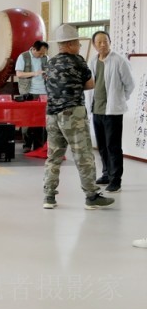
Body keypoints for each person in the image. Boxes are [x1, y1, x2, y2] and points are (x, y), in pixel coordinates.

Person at [42, 24, 114, 211]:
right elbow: (90, 84)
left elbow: (50, 85)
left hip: (51, 114)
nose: (79, 47)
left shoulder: (49, 63)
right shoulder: (78, 61)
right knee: (84, 155)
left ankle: (49, 196)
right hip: (73, 113)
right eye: (78, 44)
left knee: (54, 156)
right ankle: (91, 196)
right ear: (71, 44)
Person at [86, 30, 134, 193]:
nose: (102, 44)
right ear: (94, 45)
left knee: (113, 146)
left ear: (110, 42)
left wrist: (119, 100)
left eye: (105, 41)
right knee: (102, 146)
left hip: (113, 111)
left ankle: (115, 179)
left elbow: (130, 84)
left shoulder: (119, 60)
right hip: (97, 110)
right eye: (99, 42)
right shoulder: (93, 61)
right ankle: (106, 174)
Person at [15, 40, 50, 152]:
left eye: (44, 53)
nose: (42, 55)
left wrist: (47, 76)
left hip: (44, 93)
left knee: (42, 120)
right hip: (28, 92)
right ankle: (27, 145)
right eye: (40, 53)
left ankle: (39, 145)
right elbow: (19, 74)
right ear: (34, 49)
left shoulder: (46, 57)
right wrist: (34, 73)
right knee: (27, 120)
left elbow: (49, 72)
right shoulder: (23, 56)